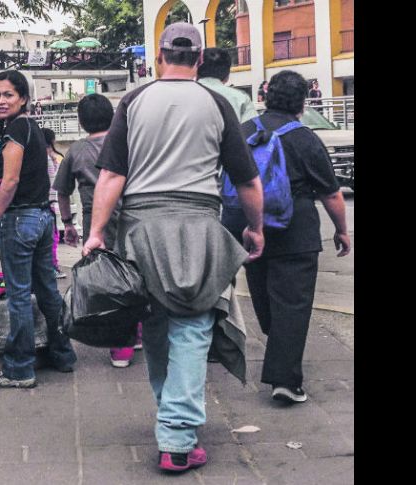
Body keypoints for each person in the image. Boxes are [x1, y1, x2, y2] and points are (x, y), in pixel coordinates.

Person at [82, 23, 265, 473]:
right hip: (200, 224)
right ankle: (178, 437)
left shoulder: (134, 100)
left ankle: (174, 425)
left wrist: (96, 231)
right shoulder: (216, 102)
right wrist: (256, 228)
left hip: (141, 226)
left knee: (158, 323)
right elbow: (246, 179)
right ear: (199, 59)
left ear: (159, 57)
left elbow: (111, 176)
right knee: (192, 325)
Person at [222, 70, 351, 404]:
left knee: (264, 295)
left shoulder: (245, 131)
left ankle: (279, 346)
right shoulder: (305, 137)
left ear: (264, 97)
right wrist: (341, 229)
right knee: (292, 305)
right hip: (296, 228)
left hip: (250, 226)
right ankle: (285, 381)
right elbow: (331, 193)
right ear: (303, 102)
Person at [0, 70, 77, 388]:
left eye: (8, 94)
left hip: (21, 220)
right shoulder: (29, 126)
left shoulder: (17, 130)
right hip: (42, 218)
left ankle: (19, 368)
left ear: (23, 98)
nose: (1, 100)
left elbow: (9, 181)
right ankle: (62, 353)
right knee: (47, 290)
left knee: (20, 296)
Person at [53, 93, 142, 368]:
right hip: (132, 216)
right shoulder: (128, 144)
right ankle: (136, 333)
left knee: (109, 283)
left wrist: (67, 223)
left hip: (97, 222)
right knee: (134, 273)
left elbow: (63, 191)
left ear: (81, 122)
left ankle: (121, 348)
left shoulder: (76, 151)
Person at [197, 48, 258, 122]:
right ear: (227, 75)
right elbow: (251, 129)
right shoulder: (241, 98)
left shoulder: (182, 95)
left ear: (196, 70)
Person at [41, 128, 66, 279]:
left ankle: (51, 265)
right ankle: (52, 266)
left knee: (51, 237)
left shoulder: (46, 157)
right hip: (50, 202)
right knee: (52, 238)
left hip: (47, 202)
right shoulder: (50, 158)